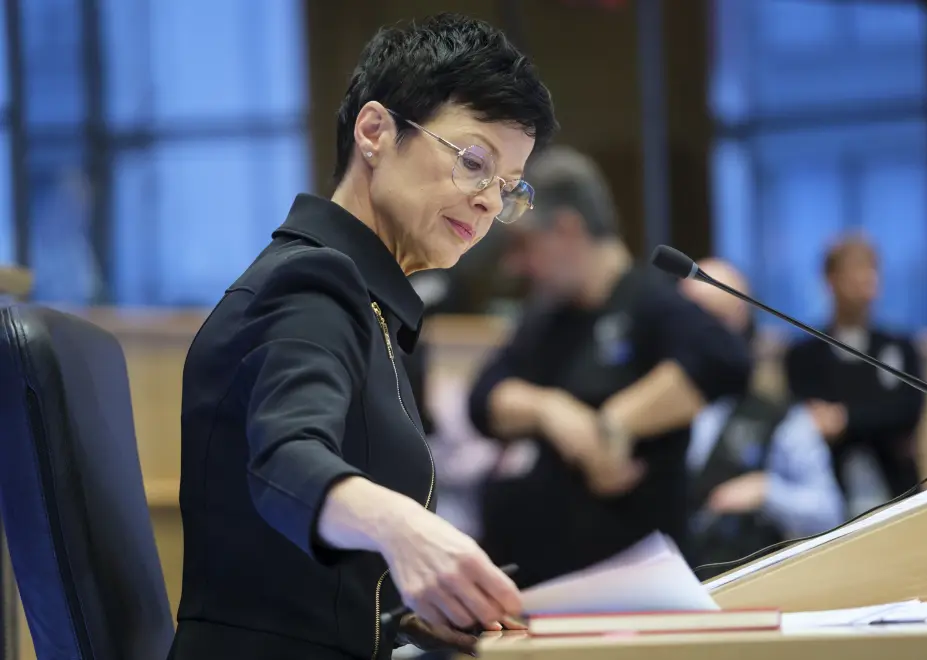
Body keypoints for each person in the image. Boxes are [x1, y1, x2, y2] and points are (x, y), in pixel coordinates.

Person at [167, 14, 557, 660]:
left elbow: (324, 586)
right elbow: (285, 459)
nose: (490, 201)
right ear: (375, 131)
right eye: (473, 162)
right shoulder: (312, 282)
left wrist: (414, 615)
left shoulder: (368, 299)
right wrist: (406, 531)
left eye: (509, 188)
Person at [467, 146, 752, 589]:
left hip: (639, 579)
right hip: (546, 583)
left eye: (525, 245)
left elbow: (725, 360)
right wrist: (551, 410)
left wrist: (615, 424)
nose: (517, 265)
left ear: (566, 229)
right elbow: (484, 400)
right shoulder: (546, 319)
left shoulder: (650, 303)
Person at [679, 259, 844, 578]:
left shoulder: (779, 417)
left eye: (714, 318)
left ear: (743, 327)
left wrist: (768, 492)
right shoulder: (638, 409)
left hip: (738, 589)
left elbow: (830, 512)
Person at [784, 236, 925, 517]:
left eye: (871, 268)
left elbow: (906, 411)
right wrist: (871, 412)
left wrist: (846, 418)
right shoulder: (804, 353)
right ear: (830, 279)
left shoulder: (900, 346)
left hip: (899, 488)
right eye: (854, 268)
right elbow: (812, 420)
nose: (865, 278)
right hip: (829, 495)